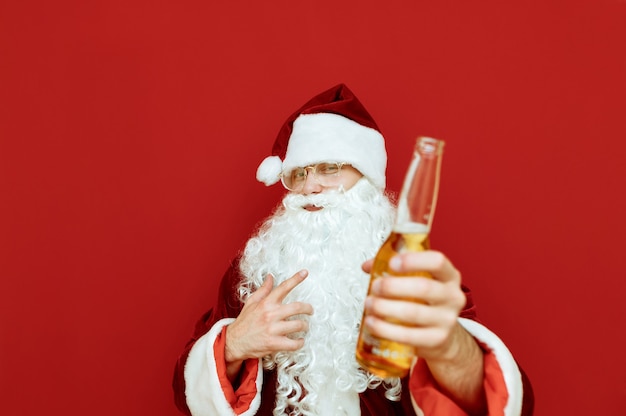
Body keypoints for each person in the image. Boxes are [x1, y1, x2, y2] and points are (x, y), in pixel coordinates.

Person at [172, 83, 534, 416]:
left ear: (368, 181)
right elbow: (185, 391)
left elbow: (498, 401)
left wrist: (452, 347)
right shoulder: (252, 273)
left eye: (329, 168)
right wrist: (234, 344)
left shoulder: (413, 277)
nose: (310, 187)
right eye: (298, 173)